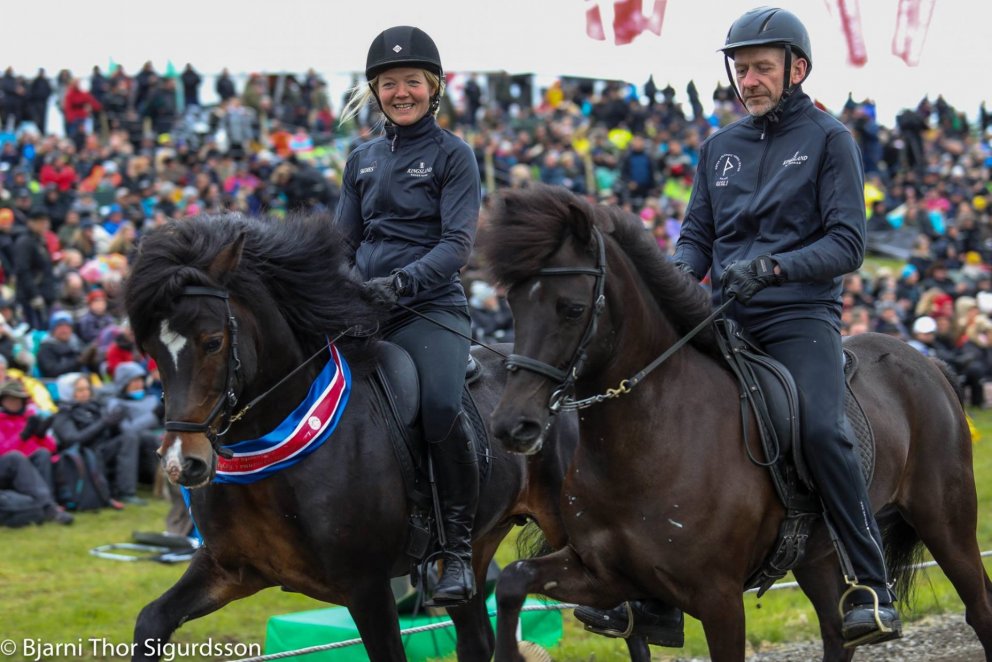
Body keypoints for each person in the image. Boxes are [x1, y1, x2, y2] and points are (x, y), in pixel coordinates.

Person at [576, 6, 901, 648]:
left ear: (796, 68)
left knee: (820, 430)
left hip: (798, 317)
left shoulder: (831, 139)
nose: (748, 80)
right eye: (740, 69)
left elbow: (847, 243)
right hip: (722, 318)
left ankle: (870, 585)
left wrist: (776, 267)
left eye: (760, 68)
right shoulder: (717, 147)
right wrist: (666, 284)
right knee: (657, 423)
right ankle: (655, 596)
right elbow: (695, 238)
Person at [335, 25, 482, 606]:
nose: (401, 92)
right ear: (375, 90)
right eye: (390, 83)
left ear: (434, 88)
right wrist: (344, 291)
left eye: (412, 82)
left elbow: (456, 247)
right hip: (367, 310)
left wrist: (398, 283)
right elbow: (342, 245)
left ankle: (457, 550)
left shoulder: (454, 156)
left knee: (440, 405)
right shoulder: (361, 160)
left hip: (430, 309)